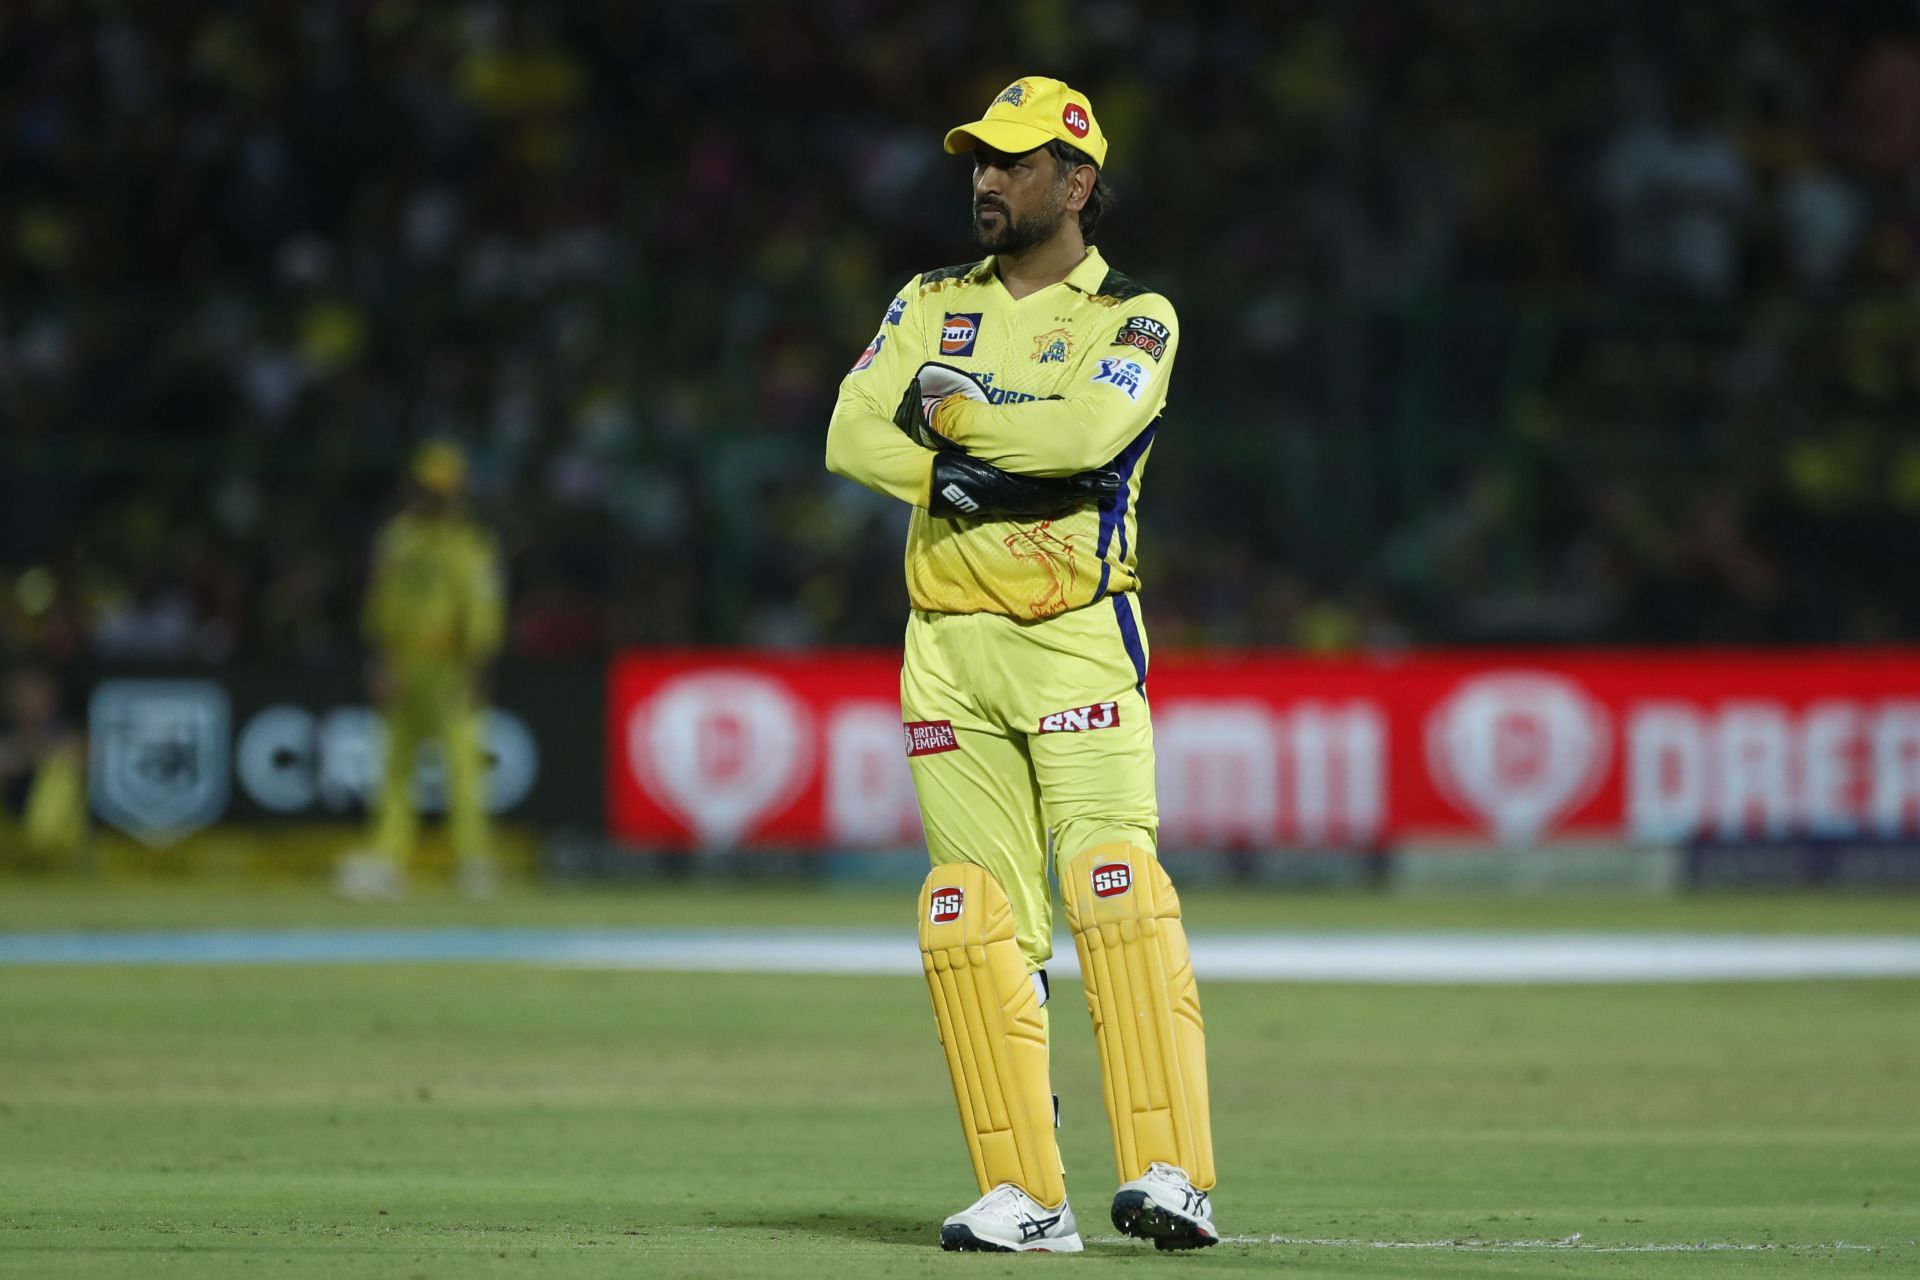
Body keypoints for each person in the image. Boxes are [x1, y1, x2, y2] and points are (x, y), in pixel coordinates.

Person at [825, 77, 1218, 1253]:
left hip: (1074, 638)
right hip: (944, 645)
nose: (986, 179)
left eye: (1014, 161)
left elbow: (1085, 439)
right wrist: (981, 469)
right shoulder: (927, 299)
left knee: (1115, 885)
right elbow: (850, 432)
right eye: (978, 161)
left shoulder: (1134, 316)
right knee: (970, 915)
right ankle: (1027, 1195)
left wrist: (948, 422)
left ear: (1077, 180)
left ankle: (1172, 1173)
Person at [335, 441, 504, 900]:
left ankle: (473, 862)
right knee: (394, 768)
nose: (433, 498)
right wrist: (383, 660)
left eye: (442, 491)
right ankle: (388, 859)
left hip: (450, 665)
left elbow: (481, 610)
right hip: (405, 662)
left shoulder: (469, 546)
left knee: (462, 769)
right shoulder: (399, 539)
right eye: (427, 489)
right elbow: (382, 603)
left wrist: (477, 666)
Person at [0, 665, 87, 867]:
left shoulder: (65, 729)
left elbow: (79, 752)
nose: (33, 702)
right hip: (9, 818)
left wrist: (34, 755)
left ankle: (46, 846)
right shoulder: (6, 728)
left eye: (38, 694)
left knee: (61, 772)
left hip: (56, 828)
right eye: (26, 694)